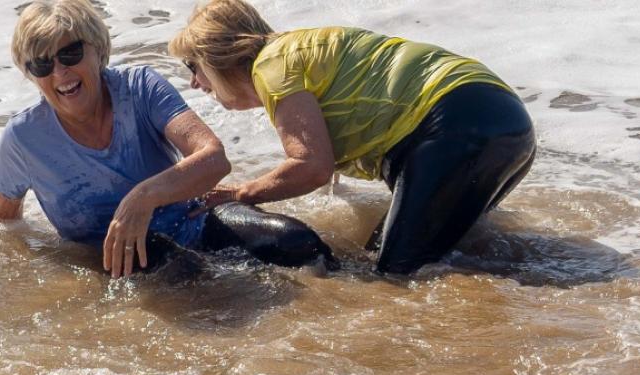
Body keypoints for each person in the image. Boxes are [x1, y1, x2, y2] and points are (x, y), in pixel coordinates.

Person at [166, 0, 536, 275]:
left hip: (452, 122)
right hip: (505, 116)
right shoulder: (303, 47)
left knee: (395, 275)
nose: (195, 83)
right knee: (457, 250)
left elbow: (312, 167)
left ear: (219, 56)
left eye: (192, 67)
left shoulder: (271, 68)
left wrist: (239, 193)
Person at [0, 0, 332, 277]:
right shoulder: (23, 139)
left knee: (299, 243)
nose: (60, 72)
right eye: (41, 65)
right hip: (119, 260)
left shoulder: (139, 87)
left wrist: (142, 198)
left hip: (193, 222)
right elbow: (2, 225)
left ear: (97, 50)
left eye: (71, 54)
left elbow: (213, 158)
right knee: (186, 274)